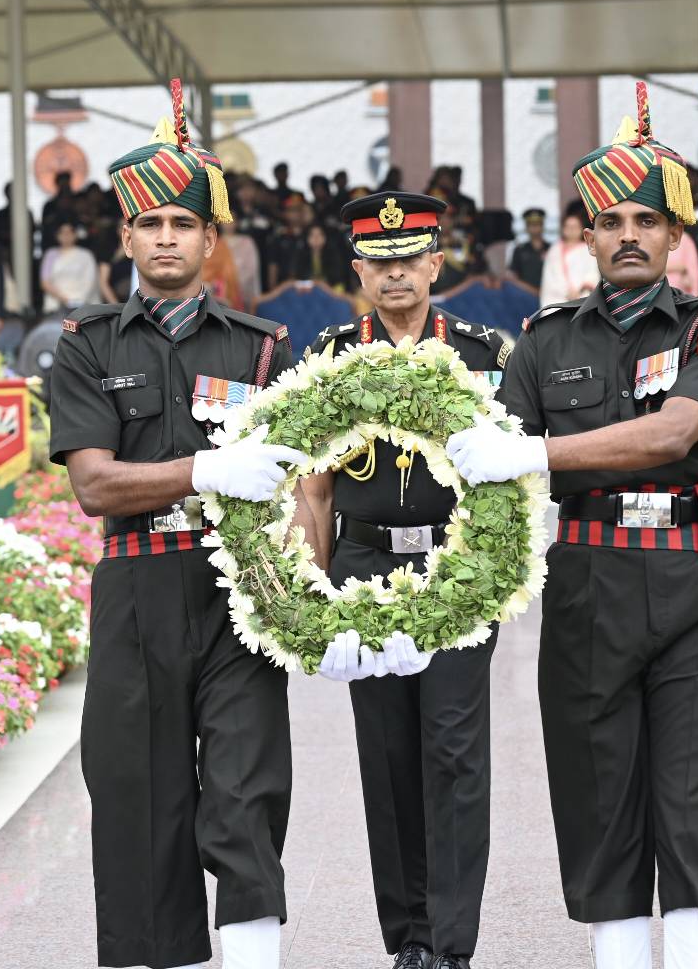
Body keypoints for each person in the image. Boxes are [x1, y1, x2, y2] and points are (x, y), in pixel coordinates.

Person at [445, 83, 698, 969]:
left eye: (647, 221)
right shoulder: (545, 341)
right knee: (598, 794)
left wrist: (537, 453)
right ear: (584, 238)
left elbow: (672, 434)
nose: (629, 235)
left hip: (690, 582)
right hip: (587, 584)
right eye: (610, 221)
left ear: (675, 236)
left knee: (692, 792)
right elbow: (494, 470)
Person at [49, 85, 304, 969]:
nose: (166, 238)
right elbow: (94, 484)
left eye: (183, 224)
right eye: (149, 223)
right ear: (124, 238)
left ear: (209, 240)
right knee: (139, 804)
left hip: (239, 593)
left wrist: (315, 595)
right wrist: (204, 470)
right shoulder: (86, 343)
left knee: (245, 794)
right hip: (136, 588)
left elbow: (304, 485)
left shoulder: (262, 348)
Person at [294, 192, 510, 969]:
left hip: (458, 565)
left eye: (409, 259)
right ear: (357, 271)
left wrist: (495, 572)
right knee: (387, 756)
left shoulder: (485, 355)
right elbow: (315, 488)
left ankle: (452, 943)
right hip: (365, 569)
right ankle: (410, 938)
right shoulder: (328, 356)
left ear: (436, 264)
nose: (395, 274)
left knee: (454, 749)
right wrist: (313, 597)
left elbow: (512, 481)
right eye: (379, 262)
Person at [39, 221, 102, 315]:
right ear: (57, 236)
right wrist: (64, 299)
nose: (66, 236)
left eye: (69, 232)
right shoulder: (50, 254)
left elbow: (90, 280)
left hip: (82, 303)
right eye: (62, 233)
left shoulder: (86, 255)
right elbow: (45, 282)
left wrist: (77, 300)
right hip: (56, 304)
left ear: (75, 235)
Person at [540, 210, 598, 305]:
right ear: (563, 229)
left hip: (582, 297)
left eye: (575, 227)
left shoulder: (588, 249)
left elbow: (592, 273)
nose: (571, 230)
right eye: (568, 227)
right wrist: (567, 292)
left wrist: (579, 291)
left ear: (582, 229)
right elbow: (550, 276)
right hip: (557, 298)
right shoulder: (554, 250)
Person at [509, 207, 549, 287]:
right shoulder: (519, 250)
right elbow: (513, 276)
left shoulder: (552, 249)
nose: (534, 227)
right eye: (531, 225)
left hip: (549, 292)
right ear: (526, 227)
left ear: (542, 226)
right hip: (524, 292)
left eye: (537, 224)